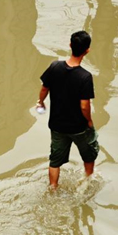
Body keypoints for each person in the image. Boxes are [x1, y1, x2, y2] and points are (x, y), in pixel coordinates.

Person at [37, 30, 99, 189]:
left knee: (55, 161)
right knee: (89, 156)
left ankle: (52, 188)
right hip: (78, 127)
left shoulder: (54, 66)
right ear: (87, 50)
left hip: (57, 125)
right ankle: (87, 183)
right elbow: (84, 105)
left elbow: (44, 89)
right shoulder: (85, 77)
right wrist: (89, 121)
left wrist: (41, 102)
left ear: (70, 45)